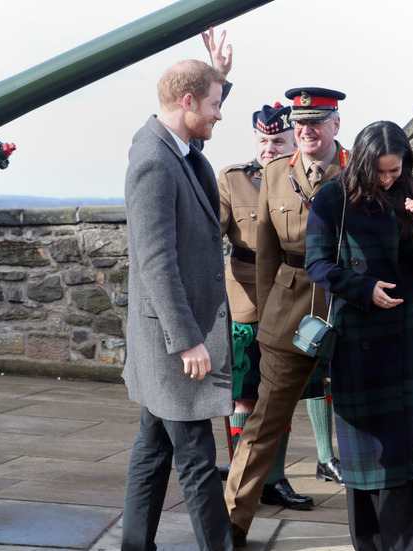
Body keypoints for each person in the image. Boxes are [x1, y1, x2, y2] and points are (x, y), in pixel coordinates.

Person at [304, 121, 413, 550]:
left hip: (401, 336)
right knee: (364, 450)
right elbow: (317, 265)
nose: (388, 179)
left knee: (399, 449)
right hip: (356, 335)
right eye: (381, 172)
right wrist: (364, 289)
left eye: (395, 170)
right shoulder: (332, 199)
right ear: (363, 163)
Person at [119, 32, 236, 551]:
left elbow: (201, 102)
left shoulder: (179, 147)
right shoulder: (153, 161)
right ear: (188, 102)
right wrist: (188, 339)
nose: (219, 114)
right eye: (213, 104)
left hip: (165, 342)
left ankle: (134, 545)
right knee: (195, 460)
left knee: (151, 451)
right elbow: (155, 262)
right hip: (171, 342)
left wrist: (219, 74)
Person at [224, 87, 349, 547]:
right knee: (263, 423)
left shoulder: (359, 171)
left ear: (336, 124)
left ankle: (375, 524)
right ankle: (232, 524)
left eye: (317, 121)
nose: (307, 130)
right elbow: (266, 256)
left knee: (357, 423)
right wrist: (268, 313)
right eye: (301, 122)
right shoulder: (276, 174)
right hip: (288, 310)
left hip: (346, 308)